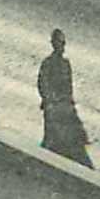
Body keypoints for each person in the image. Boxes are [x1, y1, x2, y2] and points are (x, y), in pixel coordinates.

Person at [37, 29, 93, 168]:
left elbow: (69, 85)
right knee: (53, 137)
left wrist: (69, 101)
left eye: (63, 44)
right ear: (53, 44)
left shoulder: (66, 64)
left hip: (65, 106)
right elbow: (42, 84)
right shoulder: (48, 63)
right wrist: (50, 101)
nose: (61, 47)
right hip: (53, 106)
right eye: (59, 43)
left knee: (73, 135)